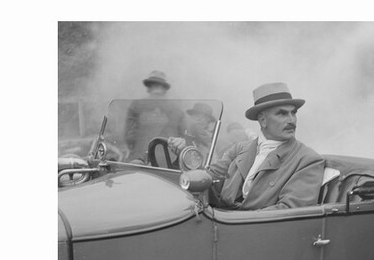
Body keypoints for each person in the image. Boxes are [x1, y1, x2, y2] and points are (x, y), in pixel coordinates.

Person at [207, 82, 324, 210]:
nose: (291, 120)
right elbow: (209, 178)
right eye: (282, 114)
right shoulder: (239, 150)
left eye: (293, 113)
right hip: (221, 220)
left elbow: (289, 210)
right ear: (263, 120)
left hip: (258, 226)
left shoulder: (307, 159)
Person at [124, 70, 185, 163]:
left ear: (148, 87)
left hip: (140, 160)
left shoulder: (136, 105)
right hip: (168, 163)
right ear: (164, 89)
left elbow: (129, 137)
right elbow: (183, 136)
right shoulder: (176, 108)